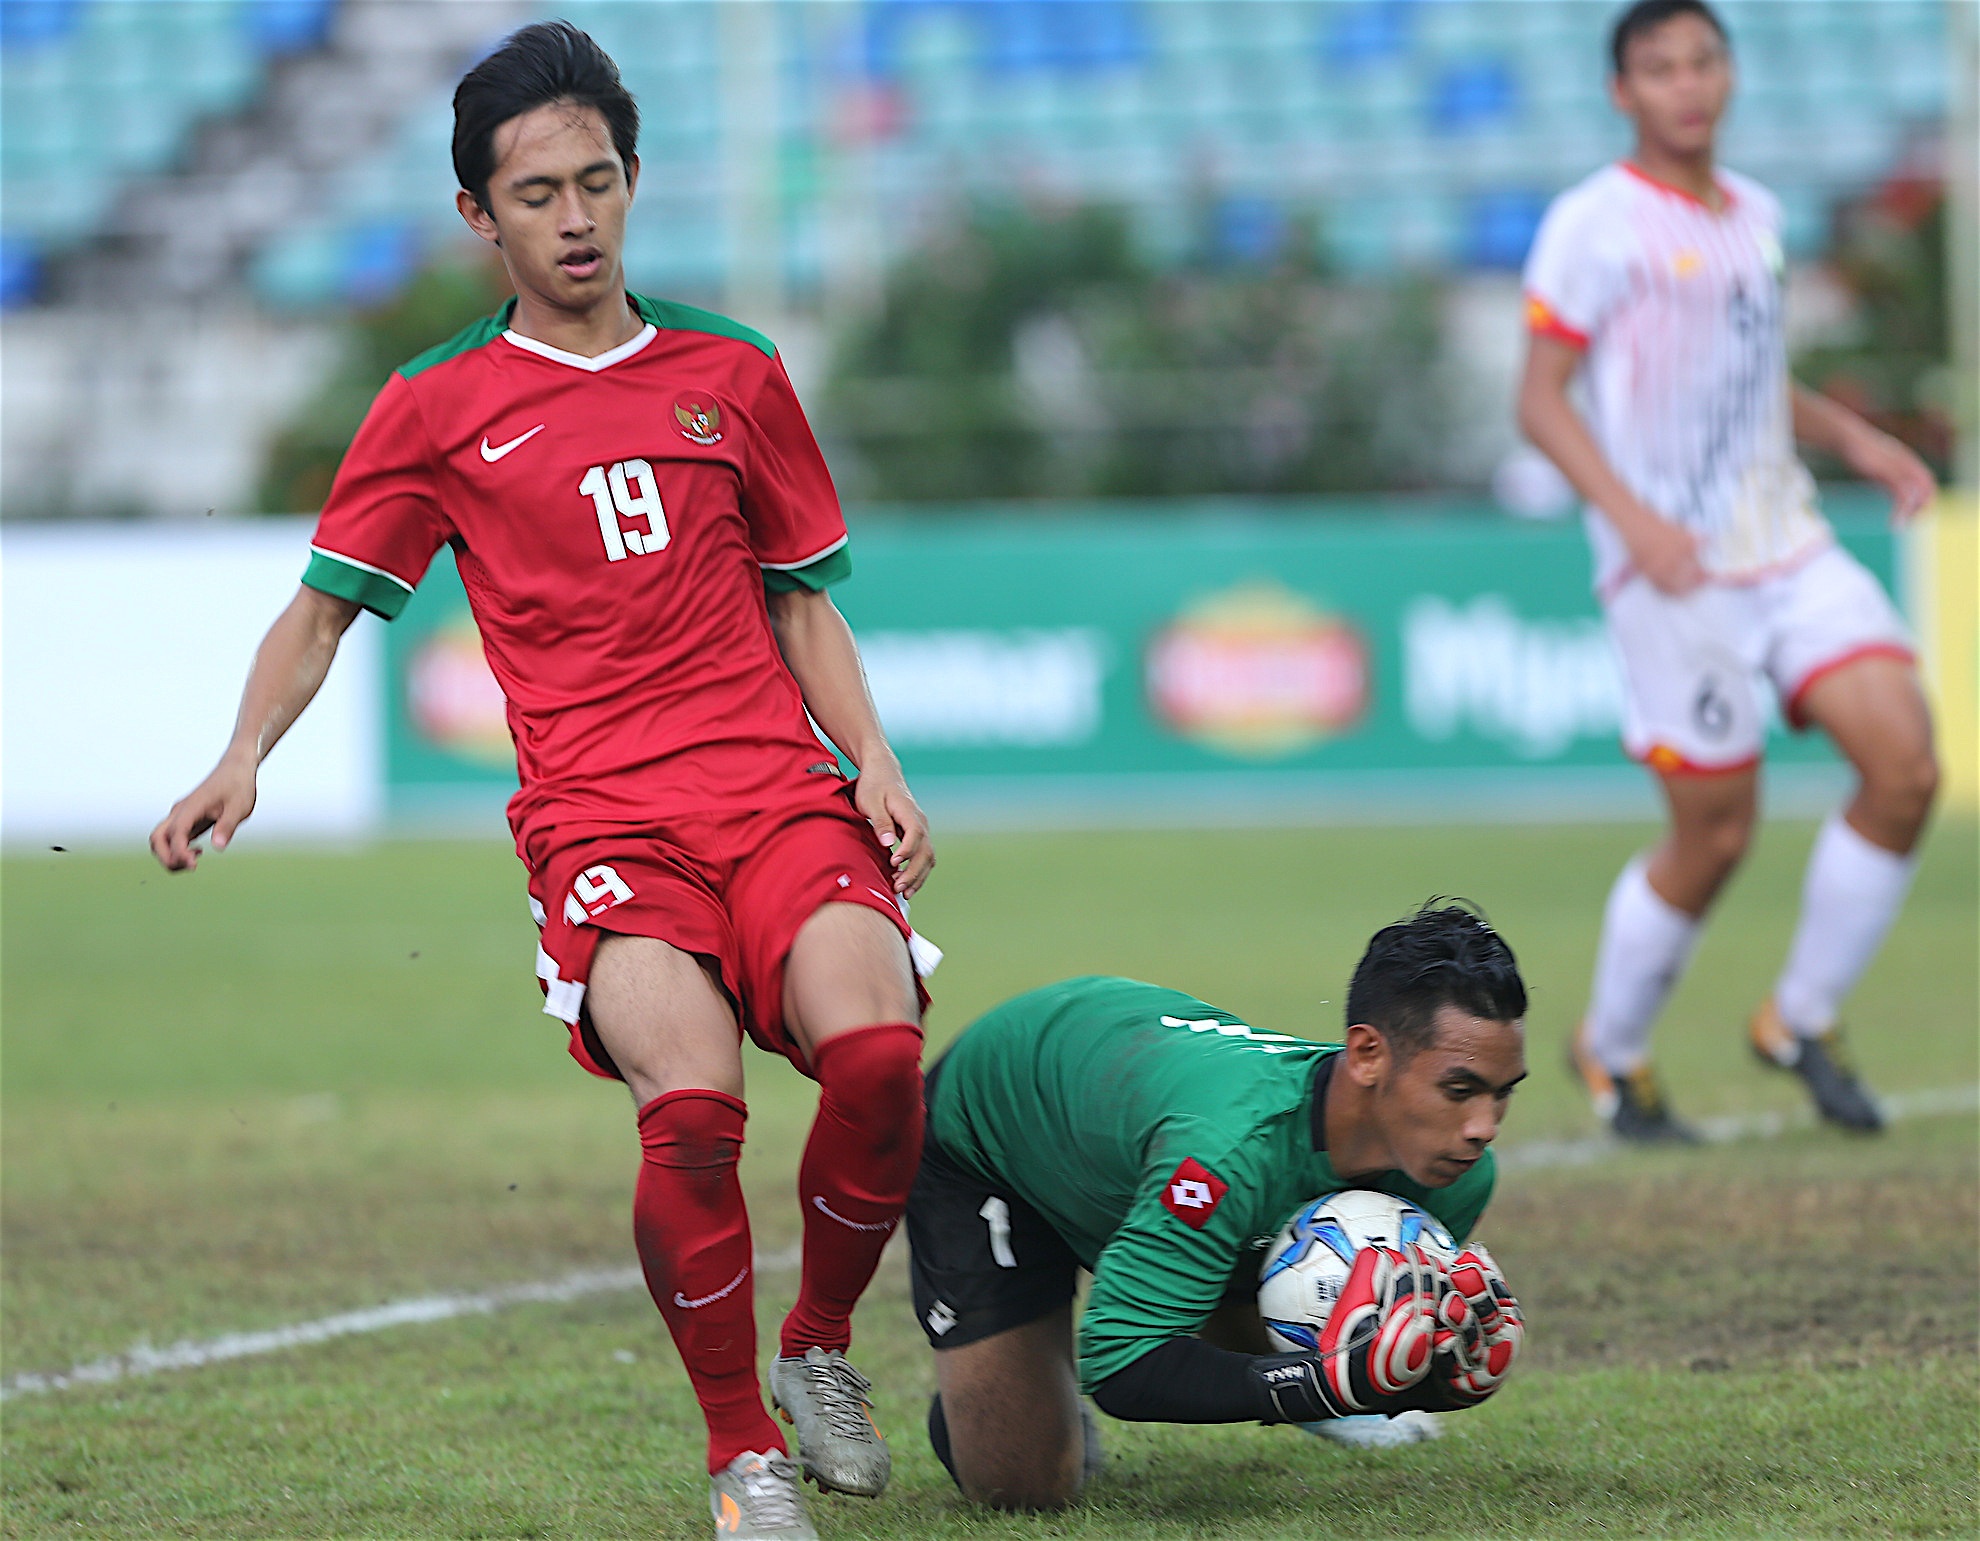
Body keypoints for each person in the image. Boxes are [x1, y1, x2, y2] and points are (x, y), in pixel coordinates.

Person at [150, 24, 935, 1540]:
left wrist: (876, 755)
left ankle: (819, 1347)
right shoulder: (435, 406)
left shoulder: (735, 373)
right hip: (604, 825)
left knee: (884, 1058)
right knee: (692, 1108)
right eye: (535, 195)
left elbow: (800, 596)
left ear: (634, 182)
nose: (573, 219)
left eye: (596, 183)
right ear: (478, 217)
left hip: (775, 790)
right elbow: (322, 609)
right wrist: (242, 756)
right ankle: (742, 1456)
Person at [1517, 0, 1940, 1143]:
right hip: (1674, 571)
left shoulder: (1755, 213)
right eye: (1659, 67)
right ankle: (1611, 1053)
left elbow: (1751, 374)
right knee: (1715, 833)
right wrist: (1634, 521)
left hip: (1784, 538)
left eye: (1704, 60)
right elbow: (1539, 398)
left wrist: (1853, 437)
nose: (1687, 84)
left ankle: (1798, 1018)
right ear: (1624, 91)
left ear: (1731, 74)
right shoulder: (1593, 224)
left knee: (1904, 766)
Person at [904, 904, 1528, 1511]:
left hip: (1131, 1132)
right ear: (1367, 1055)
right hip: (996, 1126)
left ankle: (1043, 1368)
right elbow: (1121, 1362)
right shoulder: (1226, 1153)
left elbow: (1383, 1325)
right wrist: (1324, 1388)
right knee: (1024, 1486)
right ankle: (1001, 1384)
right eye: (1460, 1089)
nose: (1484, 1126)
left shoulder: (1458, 1173)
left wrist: (1437, 1371)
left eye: (1502, 1094)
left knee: (1247, 1247)